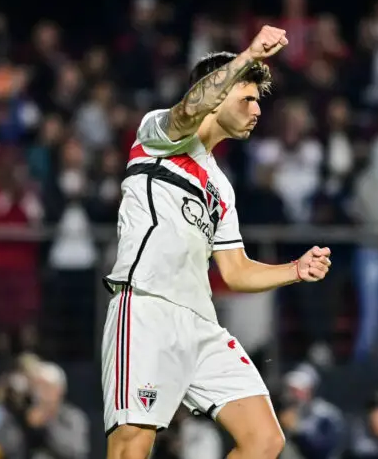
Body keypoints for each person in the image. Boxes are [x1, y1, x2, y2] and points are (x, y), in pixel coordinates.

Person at [101, 25, 333, 459]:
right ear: (217, 93)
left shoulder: (221, 188)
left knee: (265, 439)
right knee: (132, 447)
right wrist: (246, 56)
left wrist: (294, 270)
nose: (257, 110)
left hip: (201, 322)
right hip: (147, 306)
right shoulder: (159, 136)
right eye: (247, 97)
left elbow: (235, 270)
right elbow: (189, 110)